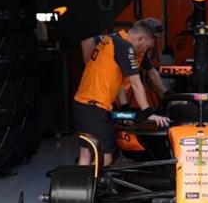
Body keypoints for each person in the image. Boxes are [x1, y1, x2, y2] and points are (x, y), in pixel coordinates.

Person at [73, 18, 170, 167]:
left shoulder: (113, 40)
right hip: (95, 106)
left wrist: (125, 107)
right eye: (145, 47)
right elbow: (136, 83)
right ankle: (86, 188)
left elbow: (117, 80)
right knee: (105, 158)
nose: (144, 52)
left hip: (83, 104)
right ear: (140, 39)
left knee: (86, 155)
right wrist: (149, 112)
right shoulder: (124, 47)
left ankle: (79, 187)